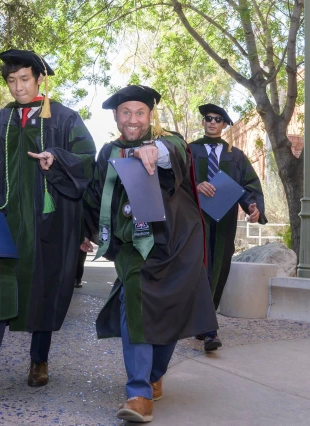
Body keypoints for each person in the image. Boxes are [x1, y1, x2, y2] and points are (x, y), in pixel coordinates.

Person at [0, 49, 96, 408]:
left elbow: (87, 159)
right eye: (12, 80)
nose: (17, 87)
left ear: (39, 80)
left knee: (45, 288)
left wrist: (57, 159)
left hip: (50, 222)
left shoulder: (64, 118)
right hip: (3, 223)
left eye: (24, 79)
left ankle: (39, 359)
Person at [82, 85, 218, 423]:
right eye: (125, 112)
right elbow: (96, 194)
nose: (132, 119)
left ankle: (156, 374)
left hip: (177, 244)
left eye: (139, 112)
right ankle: (139, 392)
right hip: (134, 247)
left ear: (150, 115)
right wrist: (87, 233)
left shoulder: (168, 142)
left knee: (171, 313)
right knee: (136, 309)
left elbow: (176, 153)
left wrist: (151, 151)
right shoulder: (109, 152)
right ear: (116, 116)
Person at [189, 104, 266, 351]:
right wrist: (196, 185)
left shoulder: (236, 155)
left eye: (218, 119)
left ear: (224, 125)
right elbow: (175, 180)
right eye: (208, 118)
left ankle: (206, 326)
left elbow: (249, 185)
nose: (212, 122)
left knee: (219, 268)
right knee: (198, 269)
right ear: (203, 122)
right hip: (195, 220)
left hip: (224, 221)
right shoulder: (190, 150)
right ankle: (205, 326)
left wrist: (253, 207)